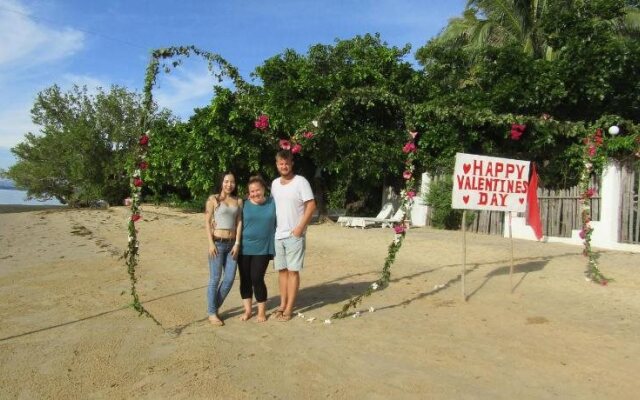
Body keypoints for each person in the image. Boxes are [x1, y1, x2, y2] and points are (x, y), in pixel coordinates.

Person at [270, 150, 316, 321]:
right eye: (281, 163)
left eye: (286, 163)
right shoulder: (274, 184)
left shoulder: (300, 182)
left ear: (292, 163)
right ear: (277, 165)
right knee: (282, 271)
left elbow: (311, 205)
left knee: (293, 272)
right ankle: (282, 304)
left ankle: (289, 309)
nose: (284, 166)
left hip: (294, 235)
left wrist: (300, 228)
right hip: (278, 235)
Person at [204, 172, 243, 326]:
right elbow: (207, 223)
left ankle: (212, 307)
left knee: (229, 279)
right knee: (215, 279)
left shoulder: (238, 201)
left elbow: (239, 222)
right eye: (226, 181)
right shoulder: (213, 199)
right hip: (217, 244)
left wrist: (237, 243)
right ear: (221, 182)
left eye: (232, 182)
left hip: (232, 244)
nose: (229, 184)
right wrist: (210, 244)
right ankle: (213, 313)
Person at [238, 175, 276, 323]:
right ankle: (248, 310)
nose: (255, 194)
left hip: (264, 248)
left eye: (257, 190)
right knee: (245, 279)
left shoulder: (273, 203)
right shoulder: (244, 204)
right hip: (243, 248)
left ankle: (261, 312)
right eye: (252, 191)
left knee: (257, 278)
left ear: (264, 189)